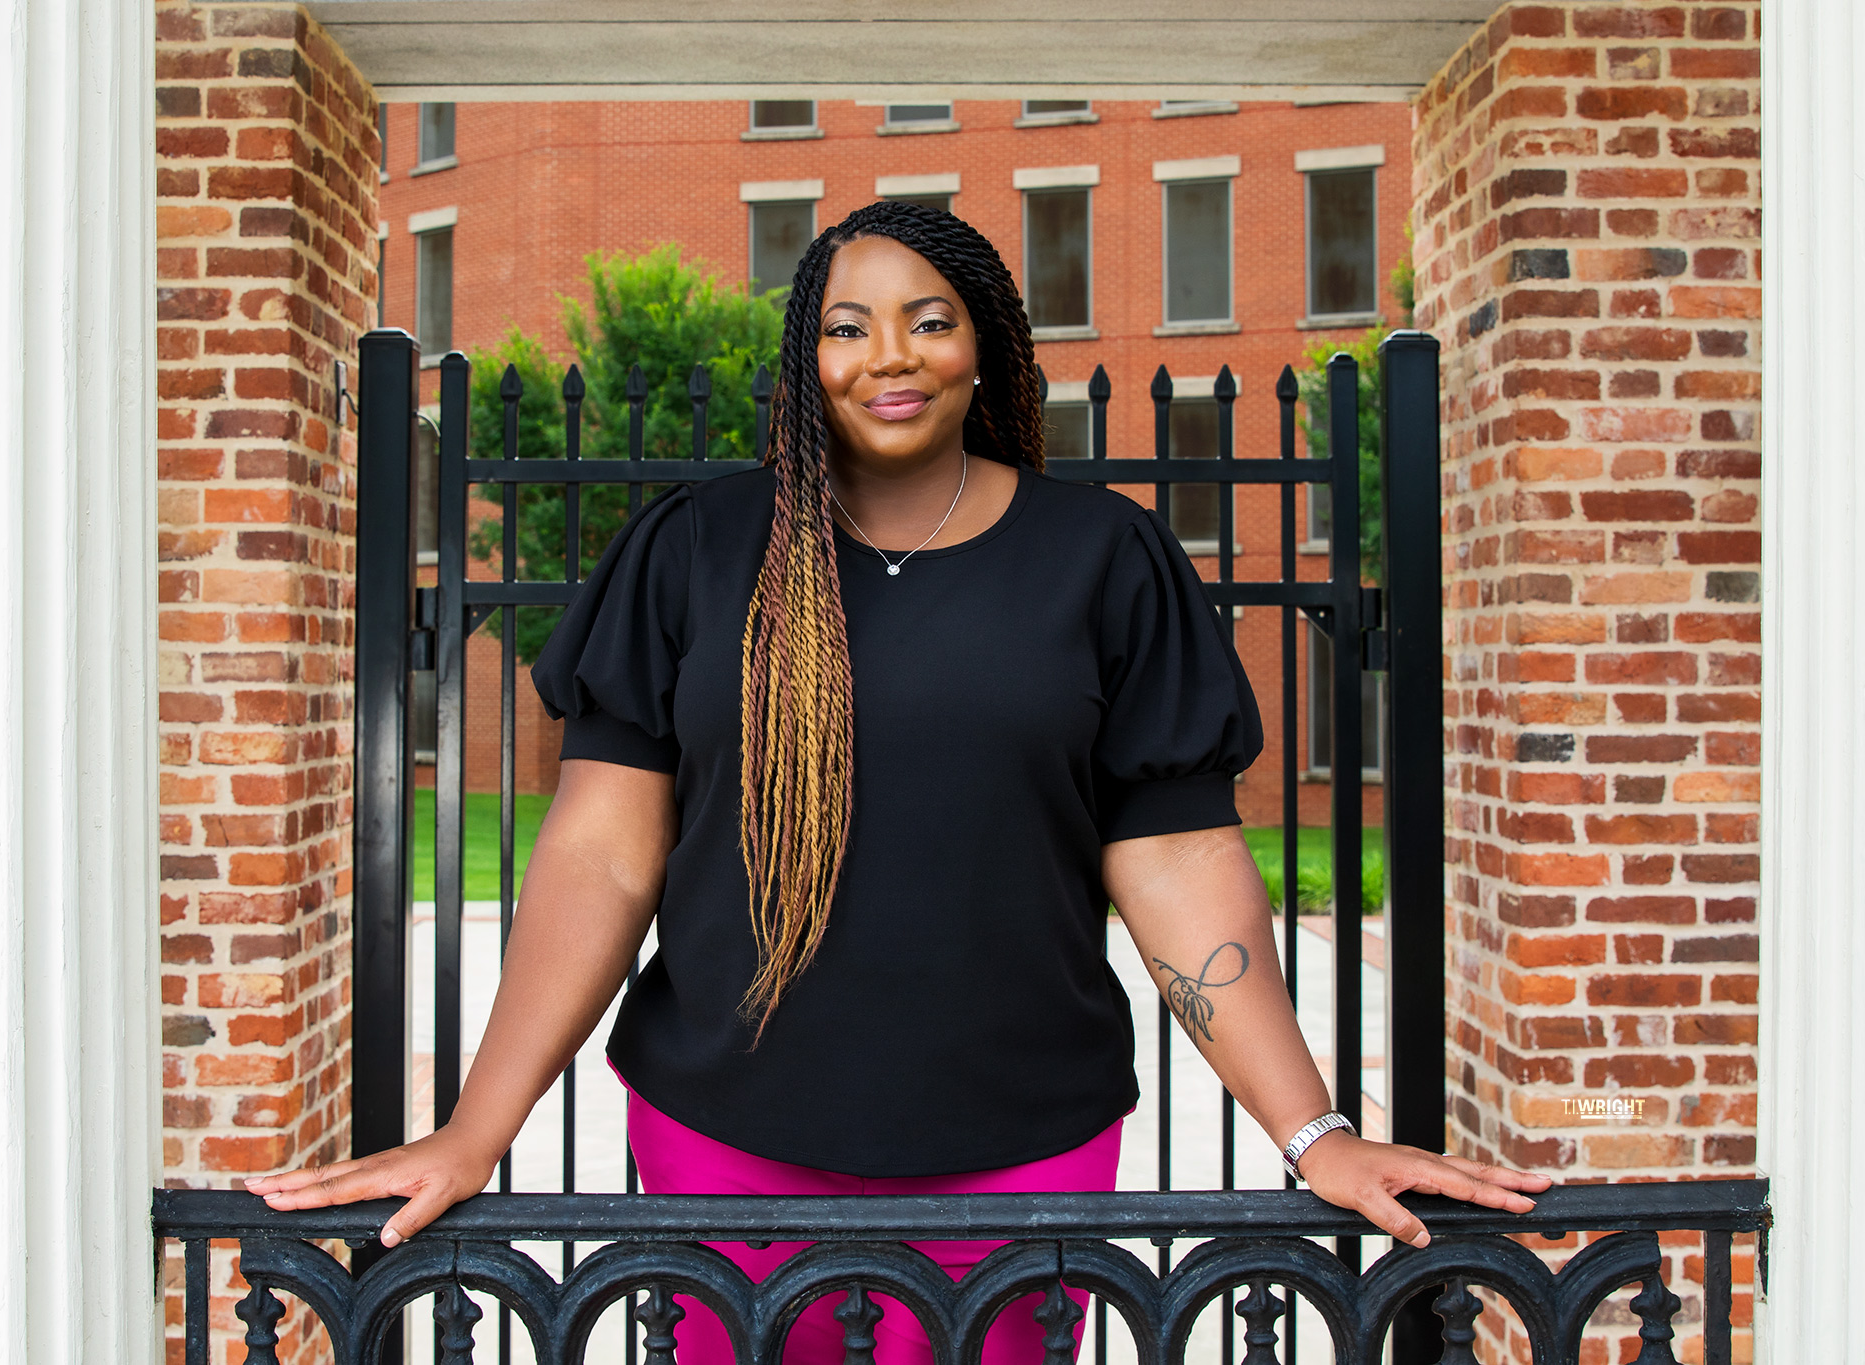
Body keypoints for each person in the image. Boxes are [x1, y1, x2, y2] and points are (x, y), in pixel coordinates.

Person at [248, 201, 1549, 1364]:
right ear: (805, 362)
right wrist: (478, 1128)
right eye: (846, 326)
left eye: (930, 321)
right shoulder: (696, 551)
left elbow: (1178, 864)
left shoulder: (1102, 560)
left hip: (1024, 1147)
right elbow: (602, 855)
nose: (888, 355)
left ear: (985, 347)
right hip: (726, 1138)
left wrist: (1313, 1131)